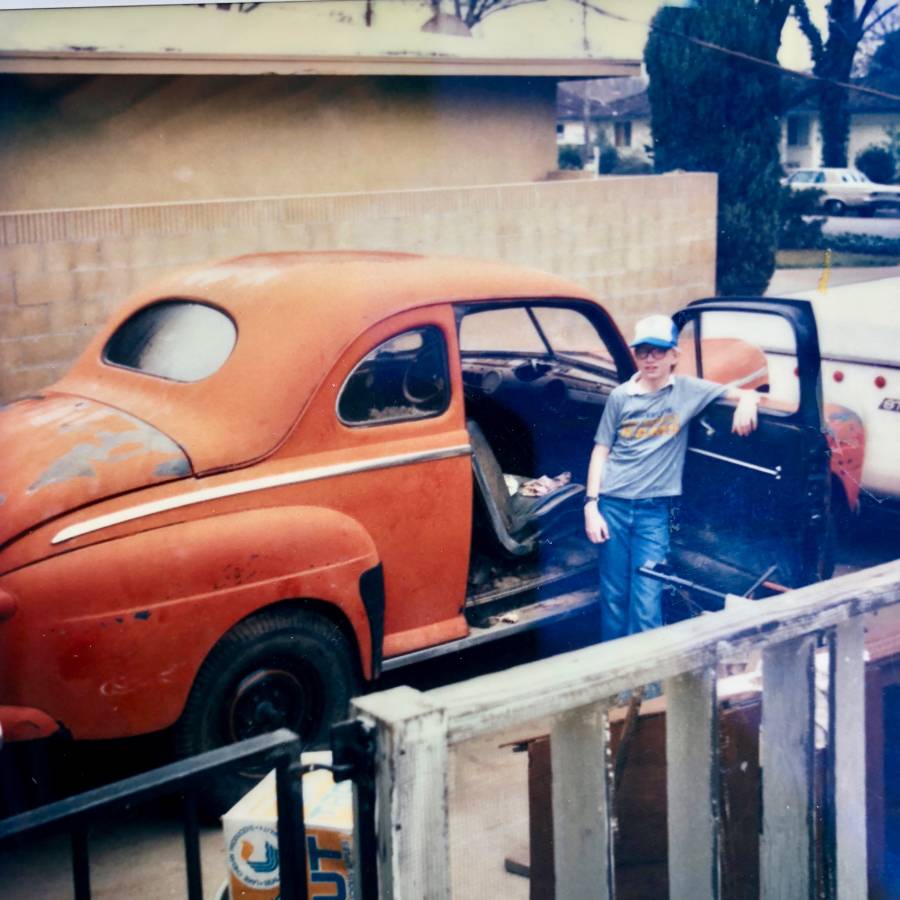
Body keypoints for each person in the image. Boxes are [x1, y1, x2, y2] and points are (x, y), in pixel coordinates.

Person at [584, 313, 760, 642]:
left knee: (647, 598)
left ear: (674, 356)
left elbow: (739, 393)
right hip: (613, 506)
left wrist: (748, 401)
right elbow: (601, 451)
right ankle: (615, 681)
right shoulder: (621, 396)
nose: (650, 359)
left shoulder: (688, 391)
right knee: (614, 595)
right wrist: (591, 506)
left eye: (659, 351)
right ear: (636, 355)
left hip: (653, 512)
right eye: (643, 352)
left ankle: (647, 687)